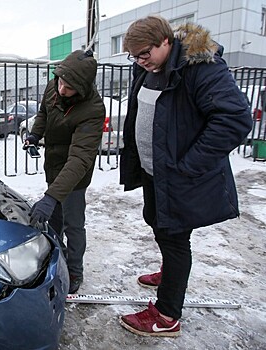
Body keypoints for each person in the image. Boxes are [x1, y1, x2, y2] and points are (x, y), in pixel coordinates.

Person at [119, 15, 252, 337]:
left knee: (175, 238)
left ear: (166, 42)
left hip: (181, 175)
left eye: (144, 54)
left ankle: (166, 316)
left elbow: (234, 119)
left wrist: (189, 166)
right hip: (157, 173)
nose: (140, 61)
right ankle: (170, 272)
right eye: (134, 56)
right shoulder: (149, 67)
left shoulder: (201, 68)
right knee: (157, 222)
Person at [25, 49, 106, 294]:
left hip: (75, 175)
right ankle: (56, 256)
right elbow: (43, 114)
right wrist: (34, 135)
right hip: (53, 165)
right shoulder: (54, 86)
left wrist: (51, 196)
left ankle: (74, 270)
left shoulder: (93, 110)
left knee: (73, 223)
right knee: (55, 220)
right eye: (60, 82)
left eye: (69, 88)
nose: (61, 90)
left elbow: (80, 157)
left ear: (82, 88)